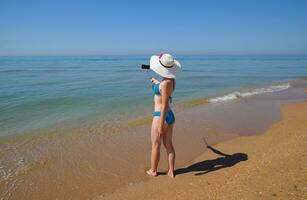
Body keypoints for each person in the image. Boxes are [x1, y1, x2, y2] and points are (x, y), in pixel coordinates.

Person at [146, 53, 182, 178]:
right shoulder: (171, 80)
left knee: (156, 145)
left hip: (161, 116)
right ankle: (171, 171)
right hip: (170, 116)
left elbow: (164, 105)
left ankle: (153, 170)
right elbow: (163, 90)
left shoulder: (165, 84)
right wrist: (155, 82)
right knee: (168, 143)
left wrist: (161, 125)